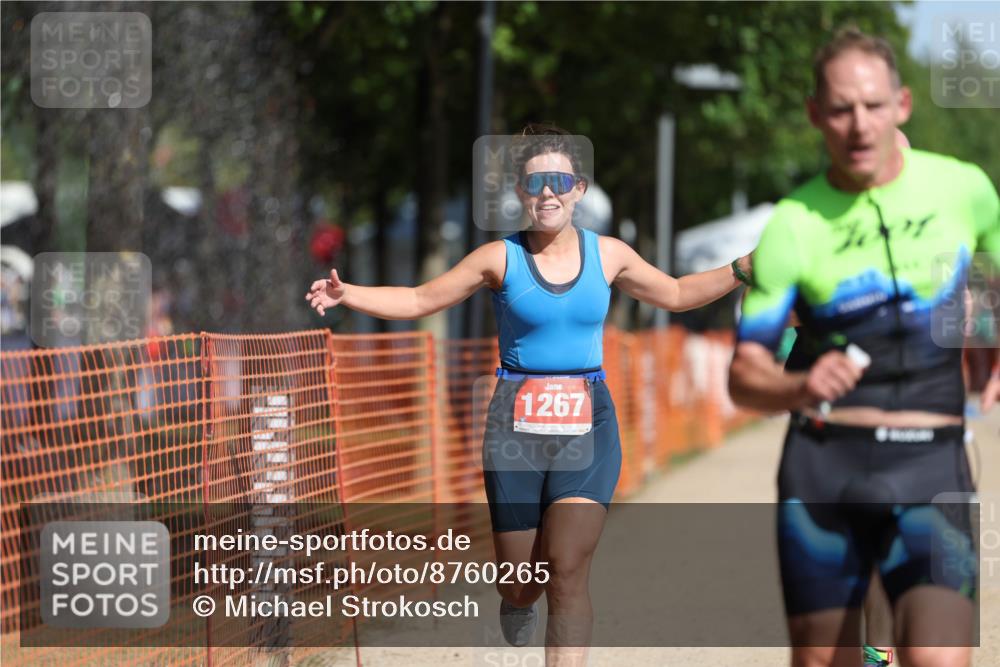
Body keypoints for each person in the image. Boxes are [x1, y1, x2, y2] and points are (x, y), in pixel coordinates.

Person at [306, 124, 752, 665]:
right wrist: (348, 292)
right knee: (523, 582)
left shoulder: (609, 255)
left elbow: (678, 293)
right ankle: (515, 600)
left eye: (559, 179)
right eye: (535, 181)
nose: (547, 191)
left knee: (567, 568)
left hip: (588, 424)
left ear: (578, 189)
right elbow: (423, 298)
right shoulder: (499, 258)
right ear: (520, 191)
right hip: (514, 427)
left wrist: (738, 270)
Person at [728, 28, 1000, 667]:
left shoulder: (964, 189)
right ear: (815, 114)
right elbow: (744, 375)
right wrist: (797, 385)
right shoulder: (794, 224)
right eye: (842, 108)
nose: (859, 125)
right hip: (826, 471)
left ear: (902, 104)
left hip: (931, 468)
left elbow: (991, 280)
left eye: (874, 106)